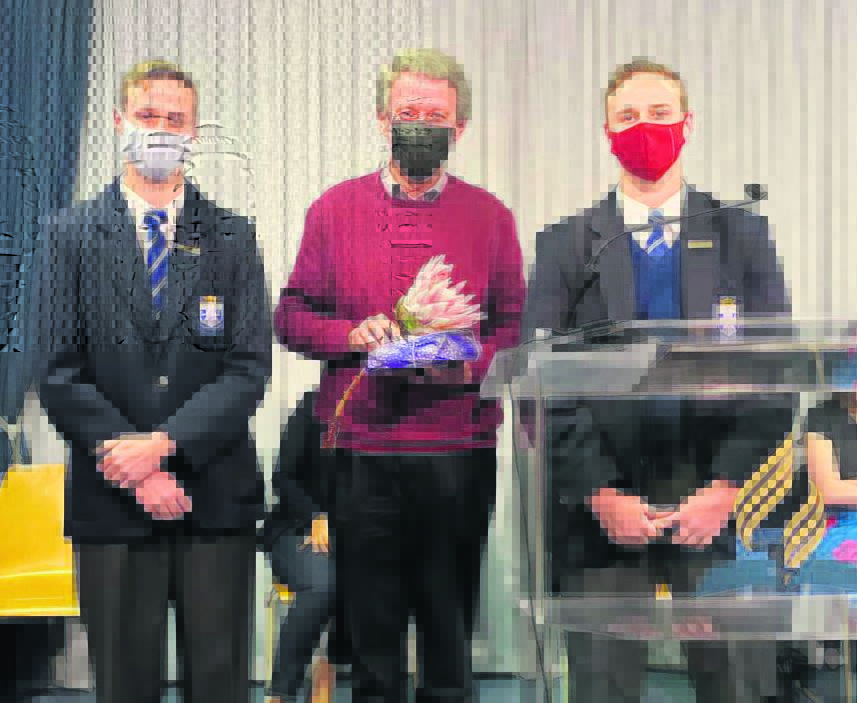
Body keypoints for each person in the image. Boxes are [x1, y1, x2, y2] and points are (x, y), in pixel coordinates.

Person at [522, 57, 793, 703]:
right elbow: (540, 381)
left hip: (717, 498)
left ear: (687, 124)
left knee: (734, 684)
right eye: (627, 116)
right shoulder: (566, 245)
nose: (644, 126)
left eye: (659, 113)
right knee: (603, 687)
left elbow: (774, 370)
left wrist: (725, 487)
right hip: (602, 501)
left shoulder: (741, 234)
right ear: (607, 132)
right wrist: (599, 493)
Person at [275, 48, 525, 703]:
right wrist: (348, 335)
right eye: (408, 112)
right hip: (361, 454)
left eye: (435, 116)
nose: (420, 126)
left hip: (458, 452)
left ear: (460, 128)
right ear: (382, 119)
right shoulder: (333, 211)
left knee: (448, 643)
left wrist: (463, 361)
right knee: (371, 646)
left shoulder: (491, 217)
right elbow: (291, 315)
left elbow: (514, 330)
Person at [29, 59, 271, 703]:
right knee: (124, 684)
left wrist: (164, 446)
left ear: (194, 132)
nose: (160, 129)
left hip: (212, 497)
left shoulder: (232, 237)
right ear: (119, 121)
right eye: (147, 115)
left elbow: (248, 368)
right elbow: (58, 371)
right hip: (113, 501)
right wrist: (136, 469)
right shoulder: (68, 235)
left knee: (219, 684)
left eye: (175, 119)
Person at [261, 390, 342, 703]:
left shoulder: (387, 416)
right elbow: (284, 478)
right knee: (323, 584)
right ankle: (281, 694)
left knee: (365, 579)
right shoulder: (314, 405)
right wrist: (315, 516)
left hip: (354, 533)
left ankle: (326, 670)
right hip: (297, 527)